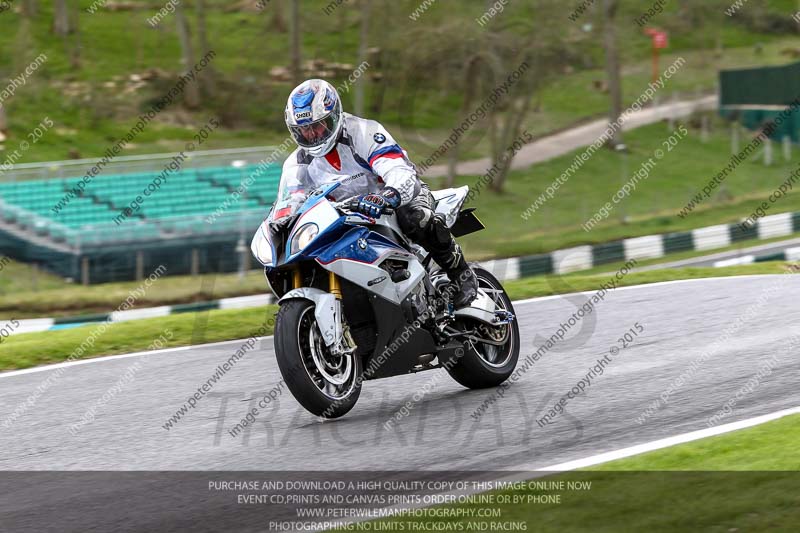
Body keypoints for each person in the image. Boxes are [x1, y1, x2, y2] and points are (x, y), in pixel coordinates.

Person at [277, 78, 477, 308]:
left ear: (334, 116)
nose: (312, 135)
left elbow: (397, 169)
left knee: (414, 217)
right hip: (346, 219)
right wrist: (280, 220)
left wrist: (387, 196)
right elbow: (292, 198)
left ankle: (462, 275)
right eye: (303, 129)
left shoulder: (362, 132)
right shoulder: (297, 162)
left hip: (396, 200)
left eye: (318, 125)